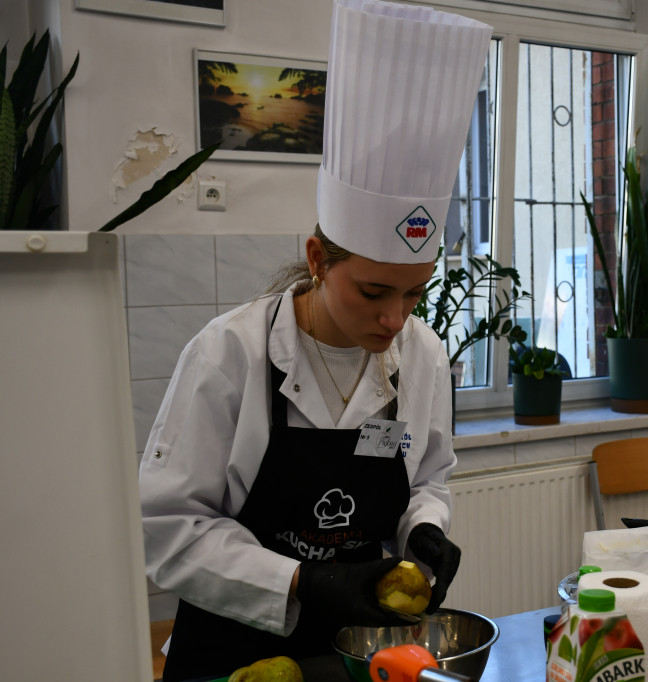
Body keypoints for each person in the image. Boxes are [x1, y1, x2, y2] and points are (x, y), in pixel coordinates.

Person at [138, 2, 493, 680]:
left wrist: (426, 528)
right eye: (372, 292)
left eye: (414, 292)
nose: (396, 320)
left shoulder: (423, 354)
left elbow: (431, 476)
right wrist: (301, 582)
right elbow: (170, 531)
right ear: (318, 259)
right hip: (231, 653)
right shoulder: (229, 354)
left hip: (364, 656)